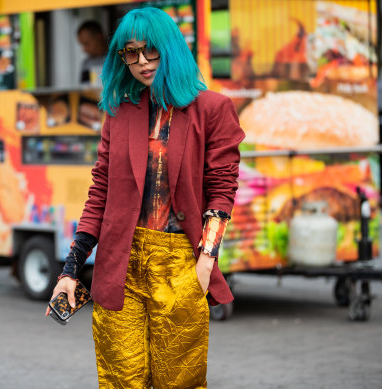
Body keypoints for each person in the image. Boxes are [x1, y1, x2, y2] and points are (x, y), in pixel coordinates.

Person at [46, 7, 245, 388]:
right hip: (119, 264)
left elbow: (222, 191)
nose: (141, 62)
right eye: (130, 53)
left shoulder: (212, 109)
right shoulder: (119, 112)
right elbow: (99, 193)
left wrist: (205, 261)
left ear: (169, 48)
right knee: (121, 379)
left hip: (180, 264)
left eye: (149, 51)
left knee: (179, 382)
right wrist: (70, 270)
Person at [77, 20, 107, 84]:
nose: (84, 50)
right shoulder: (86, 64)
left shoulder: (117, 58)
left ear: (99, 38)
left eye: (86, 44)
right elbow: (83, 90)